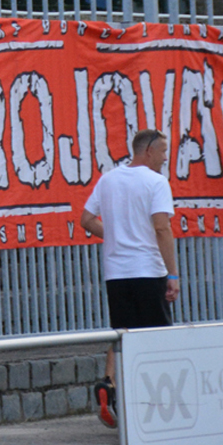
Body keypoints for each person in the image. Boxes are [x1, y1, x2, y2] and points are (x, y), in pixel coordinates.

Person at [81, 130, 179, 429]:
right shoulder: (156, 182)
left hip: (117, 273)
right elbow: (162, 229)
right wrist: (172, 273)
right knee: (157, 339)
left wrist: (118, 238)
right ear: (148, 151)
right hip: (148, 270)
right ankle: (153, 402)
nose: (166, 158)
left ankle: (108, 384)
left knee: (121, 332)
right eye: (163, 151)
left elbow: (85, 220)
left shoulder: (108, 179)